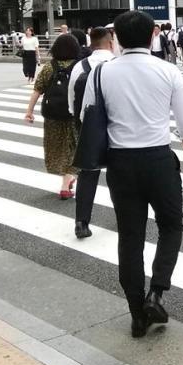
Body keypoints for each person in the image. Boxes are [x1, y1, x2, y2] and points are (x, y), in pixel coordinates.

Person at [79, 10, 183, 338]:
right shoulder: (168, 70)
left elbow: (86, 113)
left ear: (117, 38)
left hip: (120, 163)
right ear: (152, 36)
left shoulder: (101, 74)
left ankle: (136, 313)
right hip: (159, 159)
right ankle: (156, 292)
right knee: (171, 225)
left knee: (130, 237)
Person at [68, 27, 115, 239]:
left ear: (91, 44)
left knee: (88, 173)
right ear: (111, 42)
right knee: (118, 172)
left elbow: (72, 103)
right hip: (116, 126)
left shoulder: (80, 66)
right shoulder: (117, 65)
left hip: (88, 126)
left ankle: (82, 221)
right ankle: (124, 214)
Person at [24, 33, 82, 199]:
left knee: (57, 147)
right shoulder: (79, 66)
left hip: (53, 115)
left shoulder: (49, 67)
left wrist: (29, 111)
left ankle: (65, 180)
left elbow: (37, 90)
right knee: (74, 147)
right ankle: (68, 181)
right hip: (74, 115)